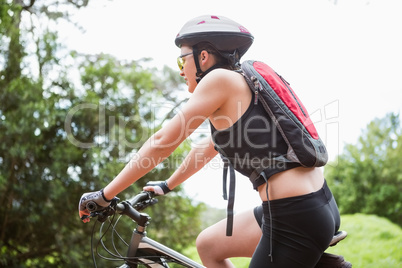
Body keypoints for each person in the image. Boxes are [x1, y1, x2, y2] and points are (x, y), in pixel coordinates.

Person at [78, 15, 341, 267]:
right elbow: (208, 148)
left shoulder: (219, 79)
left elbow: (163, 141)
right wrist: (167, 185)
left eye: (182, 62)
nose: (181, 72)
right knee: (208, 246)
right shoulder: (240, 86)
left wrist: (104, 195)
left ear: (203, 56)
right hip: (316, 204)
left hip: (294, 216)